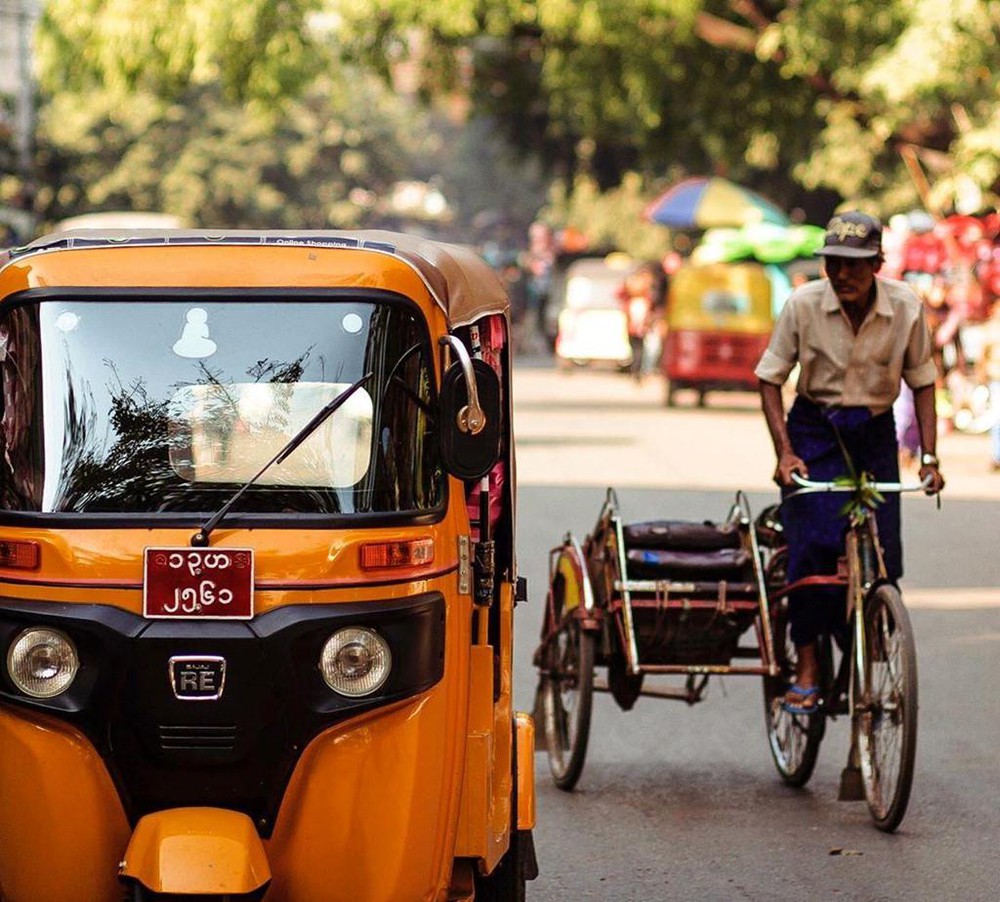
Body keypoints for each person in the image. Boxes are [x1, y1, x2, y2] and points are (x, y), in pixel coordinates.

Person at [755, 211, 945, 712]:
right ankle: (809, 663)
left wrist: (928, 456)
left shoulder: (905, 307)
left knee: (885, 550)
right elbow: (770, 378)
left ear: (878, 264)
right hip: (815, 430)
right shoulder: (803, 304)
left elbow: (923, 381)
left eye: (856, 265)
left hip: (875, 433)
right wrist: (785, 453)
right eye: (835, 263)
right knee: (813, 549)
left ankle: (872, 628)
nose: (844, 275)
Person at [978, 296, 1000, 472]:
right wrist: (982, 376)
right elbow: (982, 357)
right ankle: (997, 455)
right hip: (997, 379)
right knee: (997, 418)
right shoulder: (990, 330)